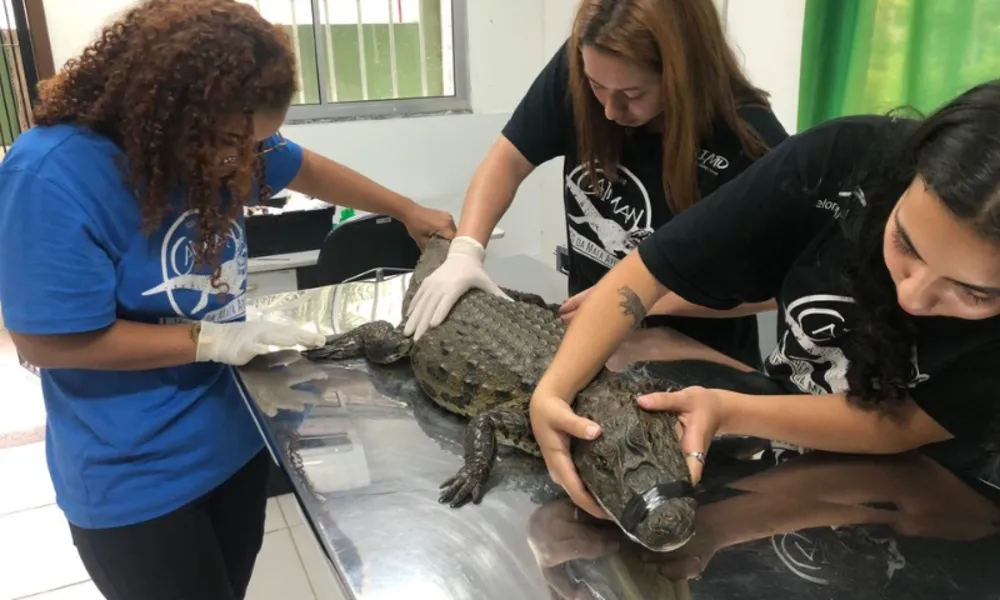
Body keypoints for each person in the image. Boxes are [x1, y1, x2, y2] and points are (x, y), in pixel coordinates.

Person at [0, 1, 454, 599]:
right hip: (137, 477)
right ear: (162, 113)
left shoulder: (228, 136)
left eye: (253, 145)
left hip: (235, 439)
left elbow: (303, 166)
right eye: (226, 145)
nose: (241, 162)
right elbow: (47, 341)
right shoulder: (53, 173)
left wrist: (405, 209)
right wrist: (210, 339)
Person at [528, 79, 1000, 519]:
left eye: (974, 292)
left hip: (948, 500)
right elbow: (647, 271)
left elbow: (903, 423)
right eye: (905, 244)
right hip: (795, 451)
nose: (913, 296)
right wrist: (551, 393)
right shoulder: (836, 161)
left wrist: (731, 410)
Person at [402, 0, 789, 370]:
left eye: (632, 95)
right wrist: (466, 249)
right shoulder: (588, 68)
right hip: (595, 343)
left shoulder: (749, 141)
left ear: (683, 73)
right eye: (596, 87)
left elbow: (780, 287)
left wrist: (643, 301)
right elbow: (508, 159)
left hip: (698, 360)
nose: (609, 110)